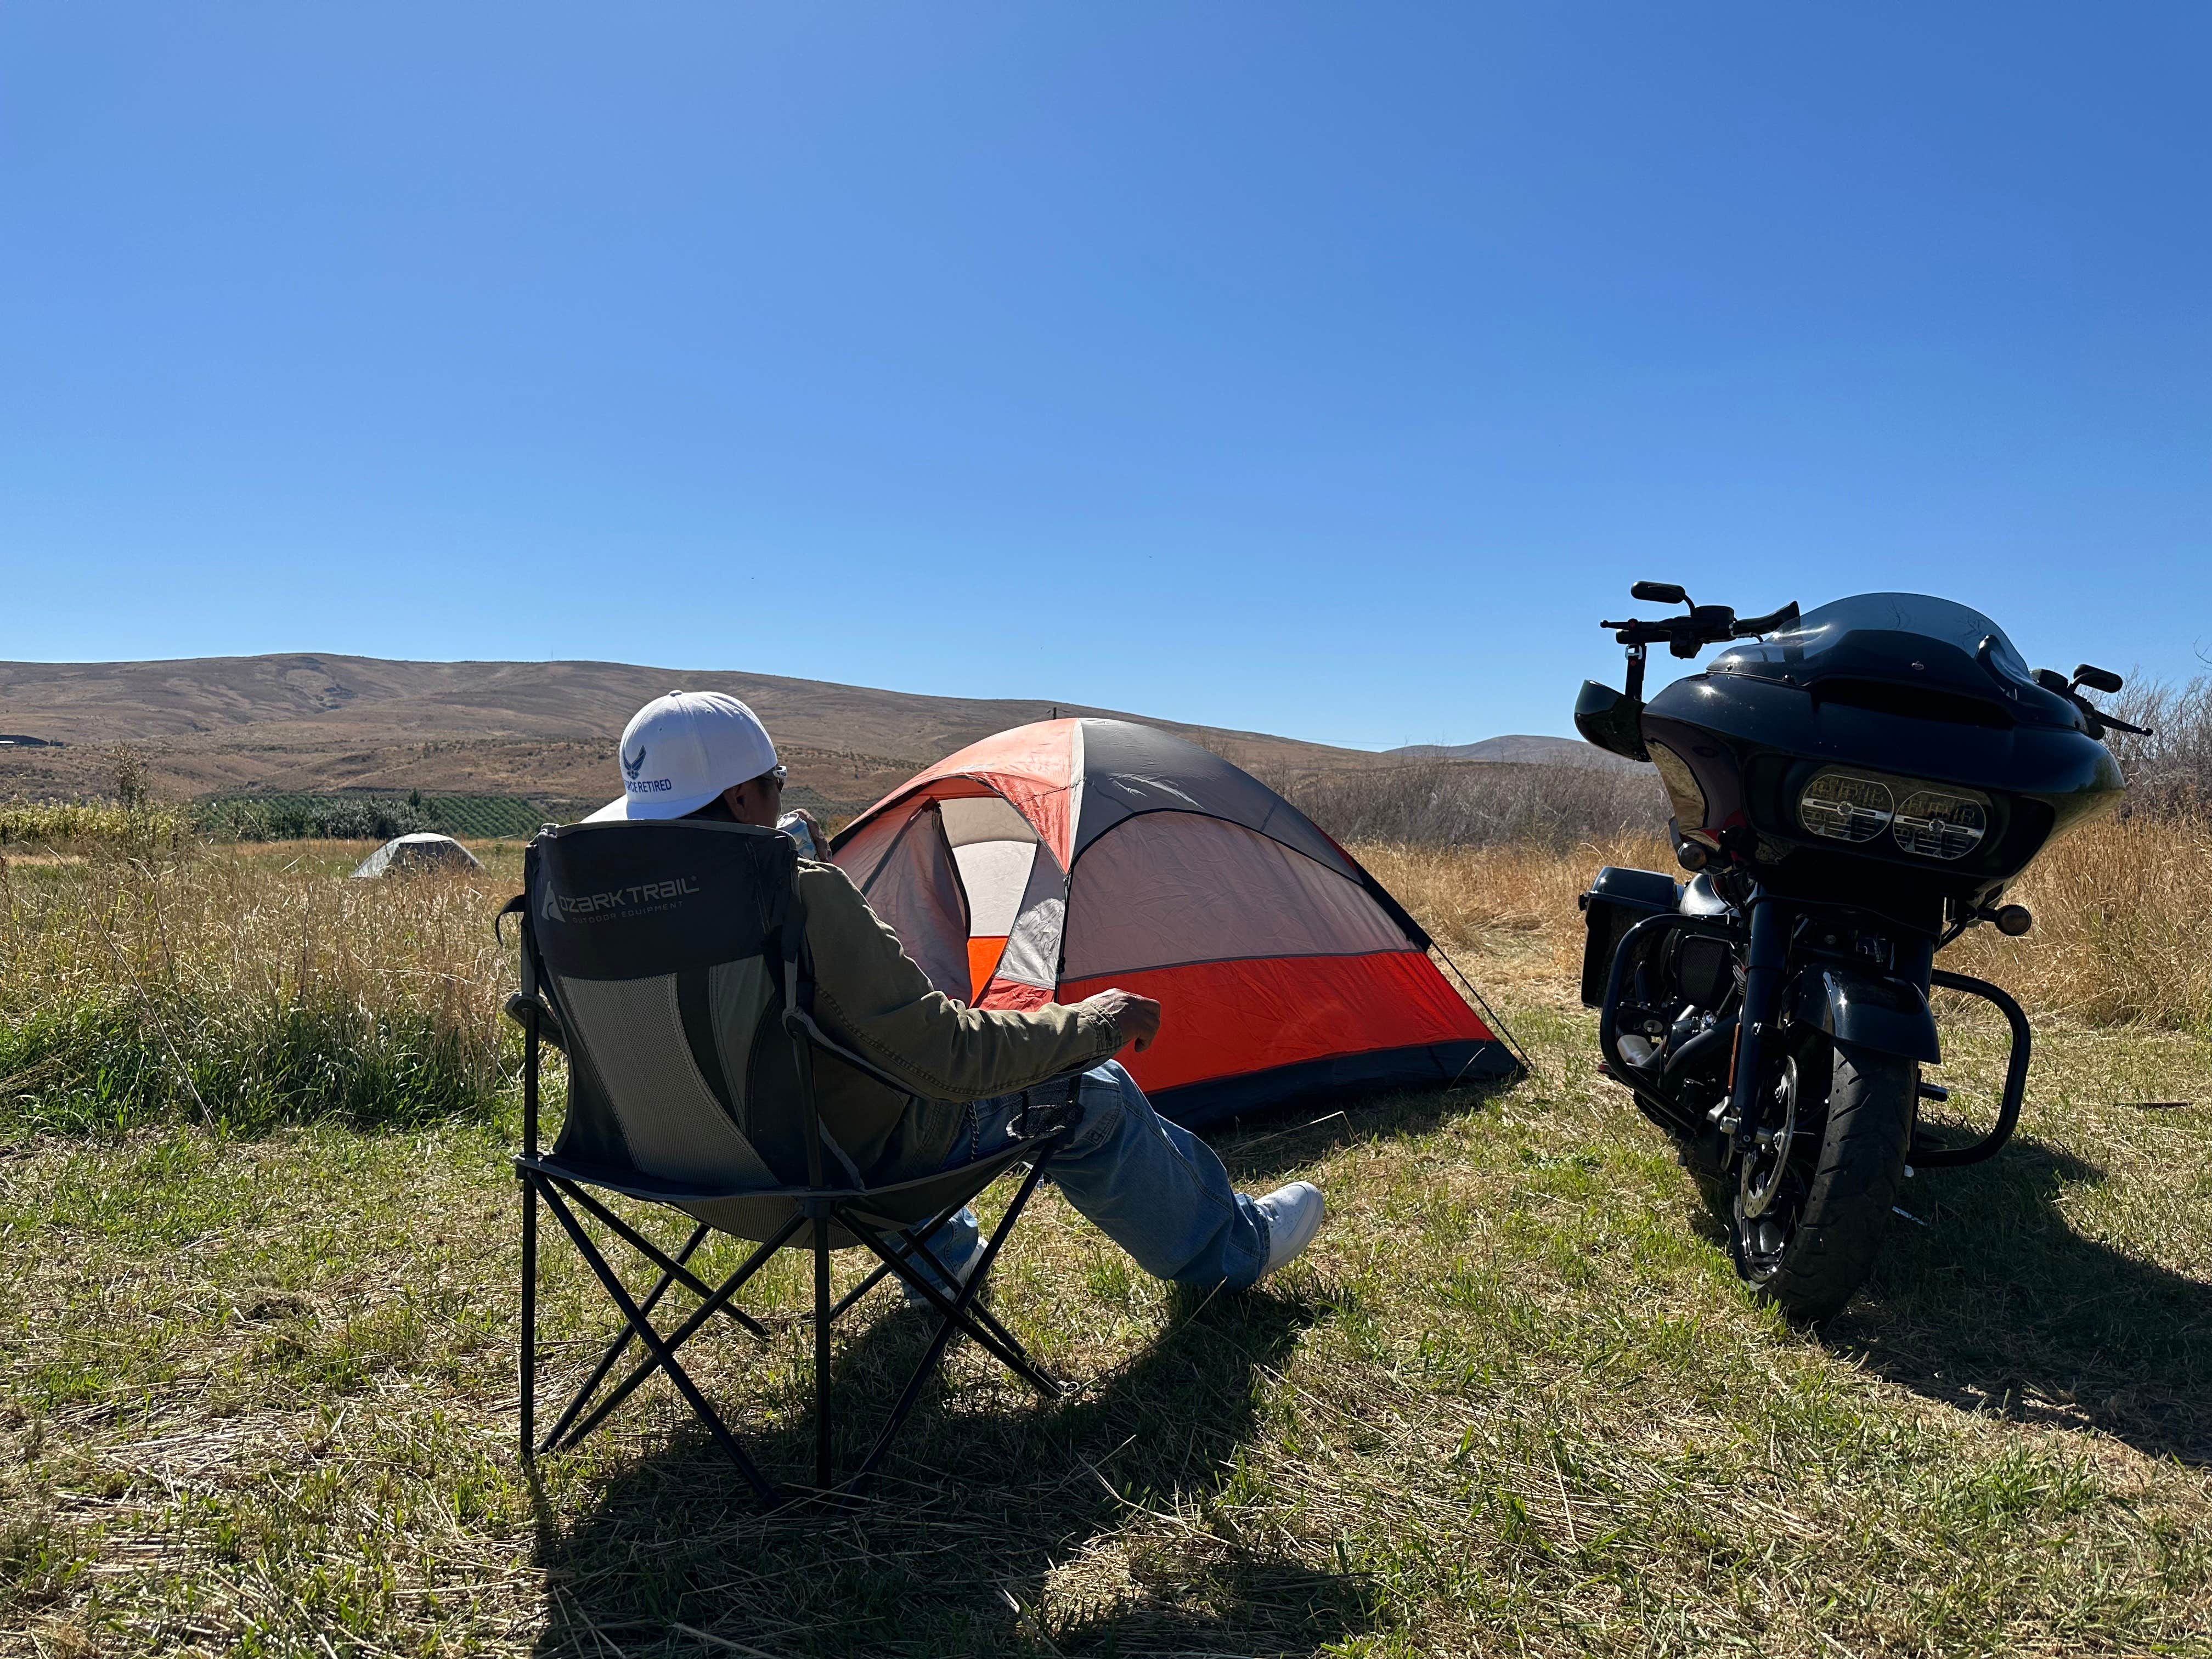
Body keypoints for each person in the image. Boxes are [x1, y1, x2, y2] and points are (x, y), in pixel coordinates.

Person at [586, 690, 1326, 1293]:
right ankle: (1232, 1252)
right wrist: (1094, 1020)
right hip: (833, 1188)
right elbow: (948, 1056)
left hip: (680, 1176)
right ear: (747, 795)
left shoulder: (582, 909)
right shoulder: (794, 897)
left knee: (847, 1067)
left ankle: (944, 1262)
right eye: (776, 784)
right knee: (1089, 1088)